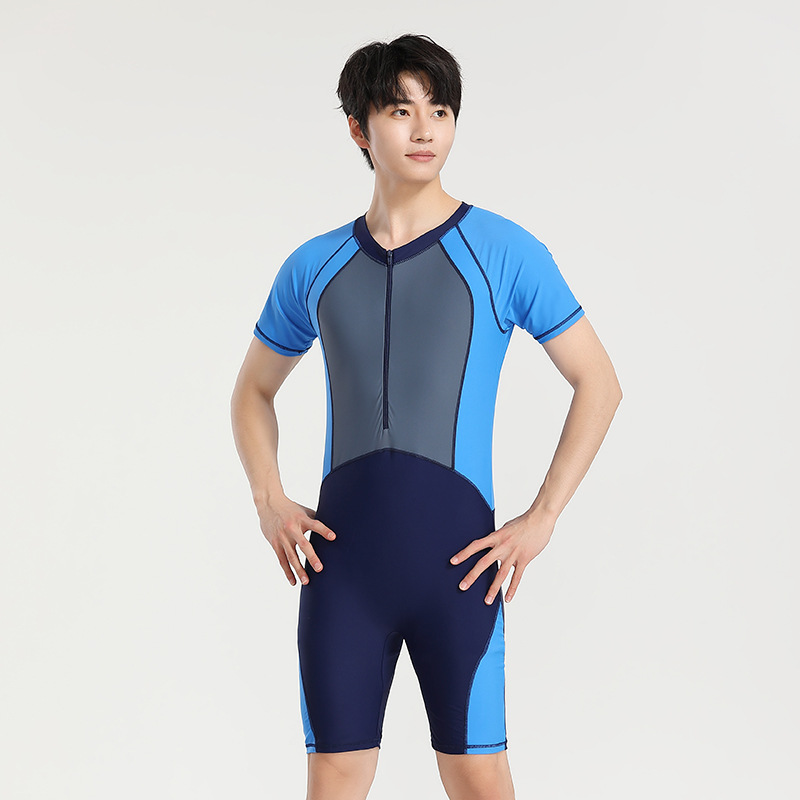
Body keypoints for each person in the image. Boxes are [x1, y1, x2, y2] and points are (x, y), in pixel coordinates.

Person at [231, 33, 622, 800]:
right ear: (358, 128)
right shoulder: (314, 265)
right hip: (342, 576)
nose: (424, 129)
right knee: (335, 777)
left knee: (477, 774)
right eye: (401, 110)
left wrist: (543, 516)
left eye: (440, 111)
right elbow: (251, 391)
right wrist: (269, 499)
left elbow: (598, 383)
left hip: (461, 572)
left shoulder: (503, 251)